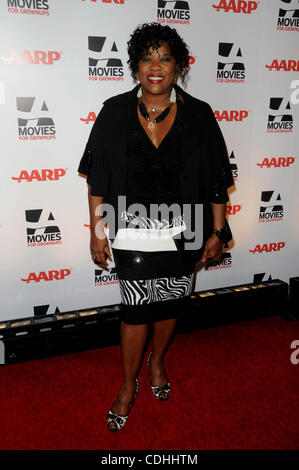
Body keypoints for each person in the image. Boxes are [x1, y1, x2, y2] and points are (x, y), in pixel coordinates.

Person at [78, 22, 234, 432]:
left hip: (185, 228)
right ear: (135, 65)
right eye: (147, 57)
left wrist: (218, 231)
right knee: (135, 311)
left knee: (170, 303)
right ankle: (128, 385)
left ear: (178, 65)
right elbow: (97, 178)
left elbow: (217, 179)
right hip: (128, 225)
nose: (155, 66)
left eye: (165, 57)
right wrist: (97, 231)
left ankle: (158, 361)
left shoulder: (199, 114)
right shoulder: (113, 111)